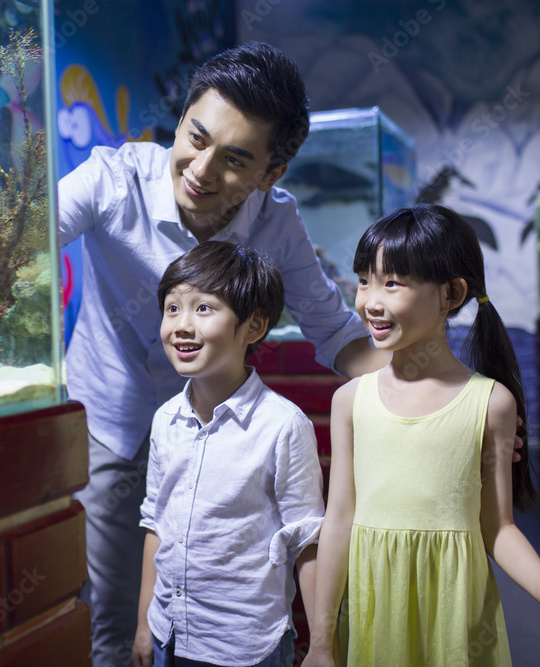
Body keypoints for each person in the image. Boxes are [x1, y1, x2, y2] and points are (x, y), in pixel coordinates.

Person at [58, 42, 385, 665]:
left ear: (271, 173)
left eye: (235, 160)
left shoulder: (278, 222)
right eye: (195, 137)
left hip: (219, 432)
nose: (202, 170)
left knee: (214, 604)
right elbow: (27, 237)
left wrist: (432, 393)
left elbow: (334, 330)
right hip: (114, 421)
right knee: (111, 607)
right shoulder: (113, 176)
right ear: (180, 121)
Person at [302, 204, 540, 667]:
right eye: (364, 280)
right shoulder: (351, 401)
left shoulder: (491, 403)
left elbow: (497, 527)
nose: (370, 301)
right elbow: (338, 520)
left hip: (455, 613)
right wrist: (321, 643)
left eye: (392, 283)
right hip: (372, 607)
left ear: (451, 293)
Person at [132, 241, 324, 667]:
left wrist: (324, 647)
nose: (181, 325)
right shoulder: (165, 419)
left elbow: (307, 541)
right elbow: (156, 525)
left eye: (203, 309)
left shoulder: (282, 425)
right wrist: (145, 624)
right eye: (172, 308)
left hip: (244, 645)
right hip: (169, 634)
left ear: (254, 326)